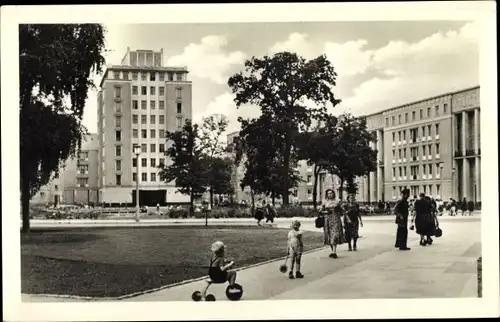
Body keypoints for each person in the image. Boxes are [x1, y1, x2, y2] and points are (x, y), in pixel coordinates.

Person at [322, 189, 346, 258]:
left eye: (331, 193)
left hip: (336, 219)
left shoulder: (337, 201)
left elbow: (343, 210)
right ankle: (332, 251)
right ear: (327, 195)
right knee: (329, 235)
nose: (330, 195)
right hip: (327, 220)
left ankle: (334, 252)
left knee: (335, 235)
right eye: (328, 193)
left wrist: (341, 210)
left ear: (334, 194)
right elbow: (320, 211)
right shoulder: (324, 202)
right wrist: (325, 212)